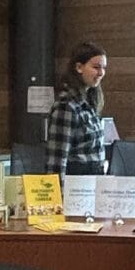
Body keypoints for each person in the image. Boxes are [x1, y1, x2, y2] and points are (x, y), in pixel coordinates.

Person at [45, 44, 109, 175]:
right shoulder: (66, 106)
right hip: (76, 182)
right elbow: (57, 161)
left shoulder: (89, 104)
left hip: (94, 180)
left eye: (103, 68)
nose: (101, 73)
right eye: (96, 67)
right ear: (79, 67)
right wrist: (57, 187)